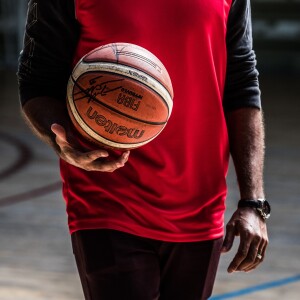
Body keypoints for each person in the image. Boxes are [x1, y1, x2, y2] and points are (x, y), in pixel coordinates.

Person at [17, 0, 270, 299]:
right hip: (107, 198)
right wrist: (62, 139)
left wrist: (253, 203)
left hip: (200, 203)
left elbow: (241, 82)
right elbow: (37, 79)